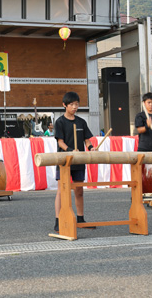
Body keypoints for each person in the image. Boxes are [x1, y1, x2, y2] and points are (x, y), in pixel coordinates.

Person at [53, 91, 95, 232]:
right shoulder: (59, 122)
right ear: (64, 105)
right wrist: (71, 150)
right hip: (64, 160)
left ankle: (81, 218)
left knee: (79, 190)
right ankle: (58, 220)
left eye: (76, 104)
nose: (74, 107)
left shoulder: (81, 122)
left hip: (79, 160)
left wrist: (91, 148)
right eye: (71, 104)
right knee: (61, 191)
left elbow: (86, 139)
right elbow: (60, 142)